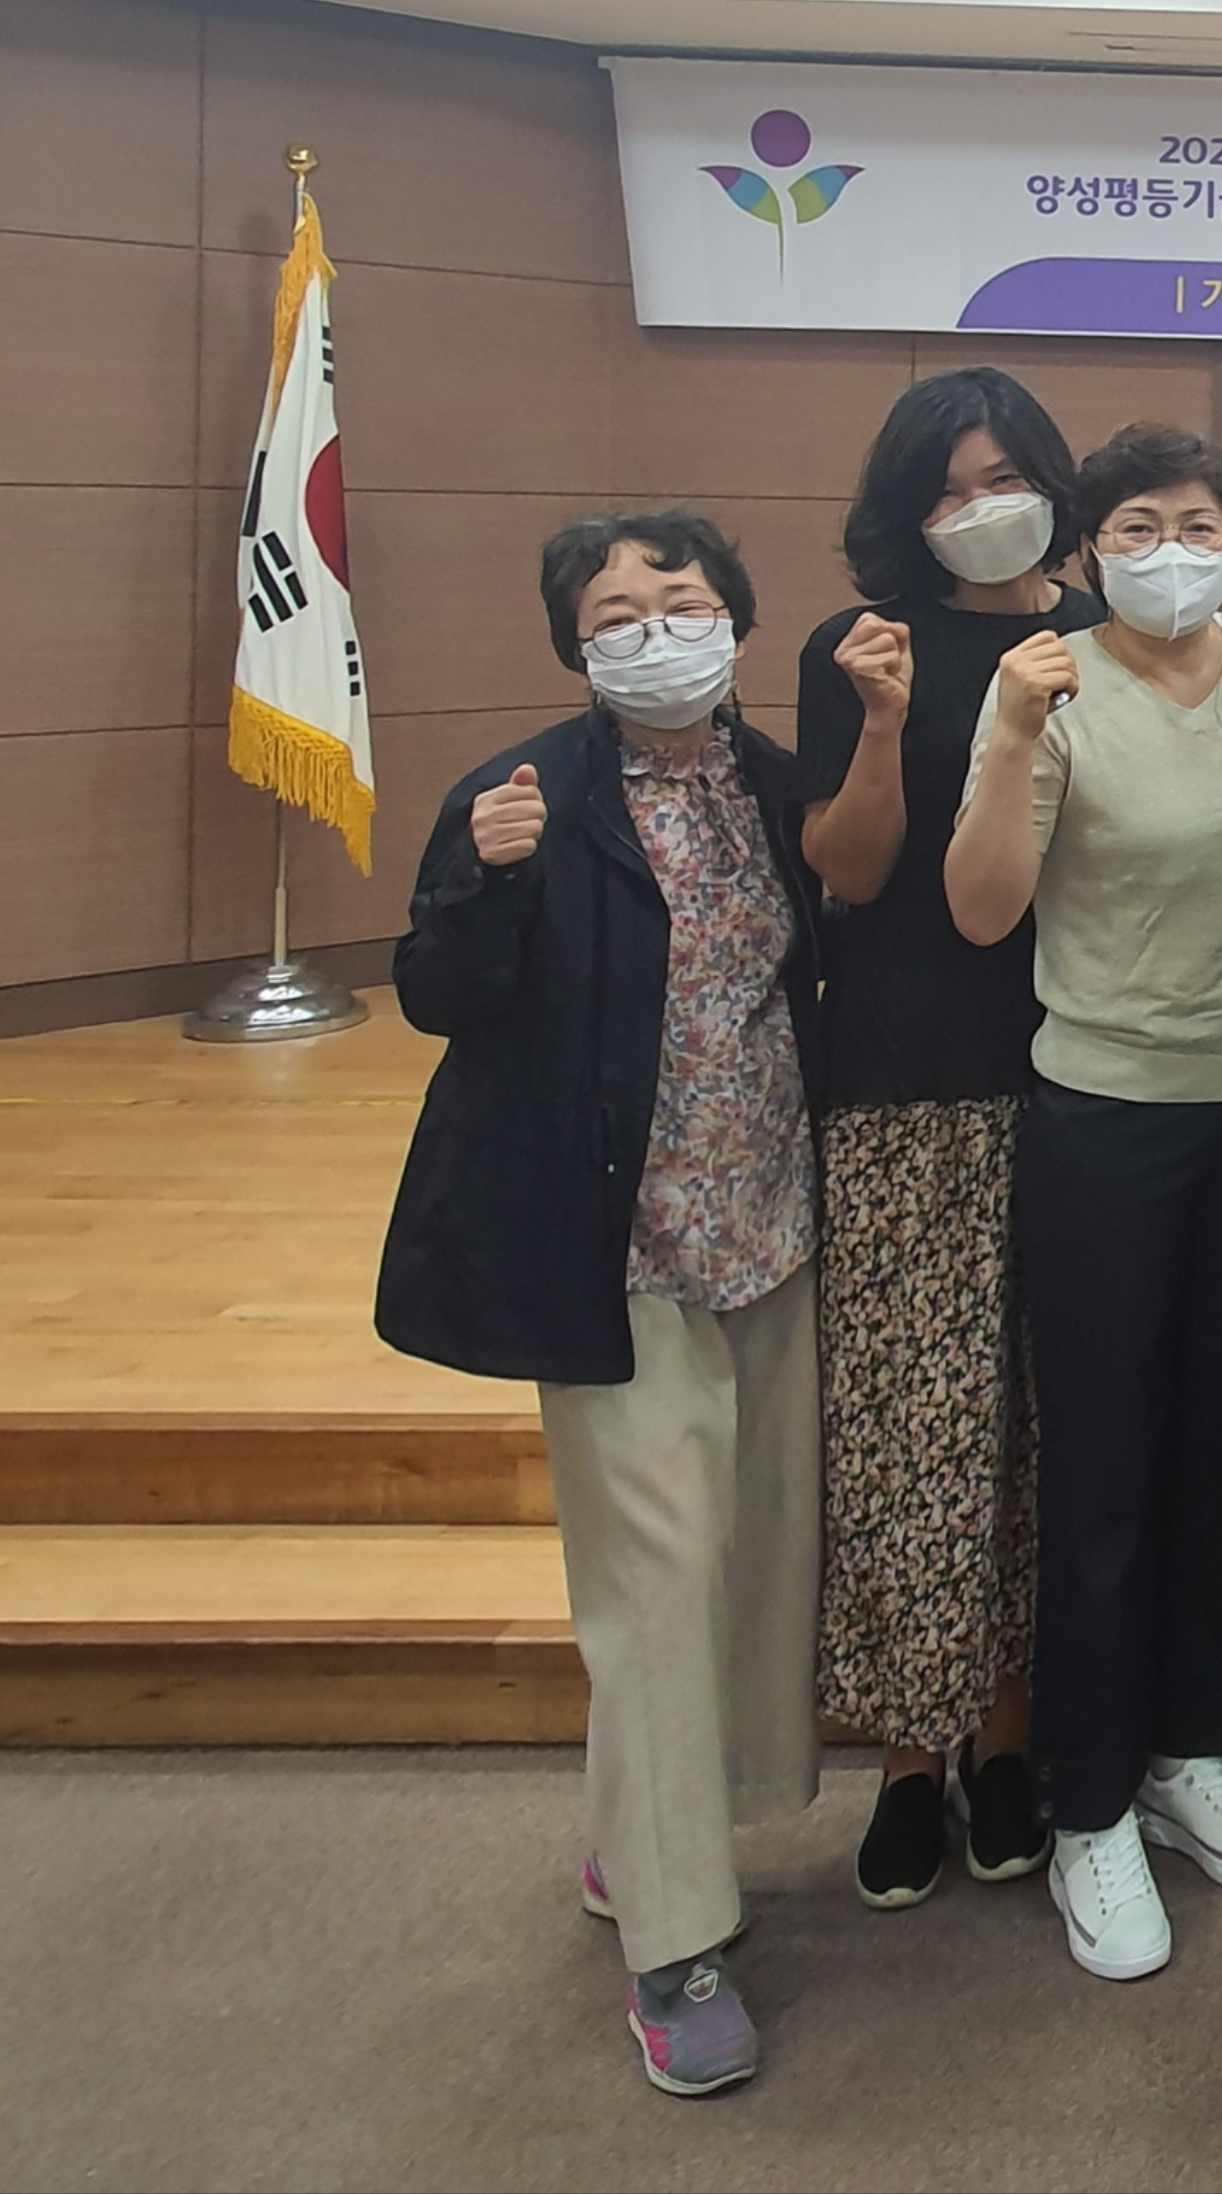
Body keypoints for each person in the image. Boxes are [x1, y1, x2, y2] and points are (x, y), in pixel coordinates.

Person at [375, 512, 822, 2100]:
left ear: (738, 621)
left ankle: (635, 1837)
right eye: (614, 616)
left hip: (771, 1230)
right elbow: (436, 995)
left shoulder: (782, 791)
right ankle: (675, 1947)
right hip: (613, 1253)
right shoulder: (523, 796)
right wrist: (483, 883)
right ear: (574, 646)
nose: (651, 633)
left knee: (746, 1562)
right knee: (655, 1581)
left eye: (680, 603)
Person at [943, 424, 1222, 1985]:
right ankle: (1088, 1800)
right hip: (1104, 1117)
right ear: (1089, 547)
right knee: (1104, 1465)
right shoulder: (1048, 684)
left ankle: (1187, 1750)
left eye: (1201, 524)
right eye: (1140, 526)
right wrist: (1008, 737)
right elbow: (982, 909)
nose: (1173, 550)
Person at [795, 367, 1101, 1909]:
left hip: (1080, 1072)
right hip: (906, 1085)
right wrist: (880, 724)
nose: (980, 509)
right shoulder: (863, 649)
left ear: (1053, 481)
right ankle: (909, 1759)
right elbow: (848, 875)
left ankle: (1008, 1744)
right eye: (947, 489)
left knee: (1039, 1437)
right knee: (913, 1436)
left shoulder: (1109, 642)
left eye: (1004, 478)